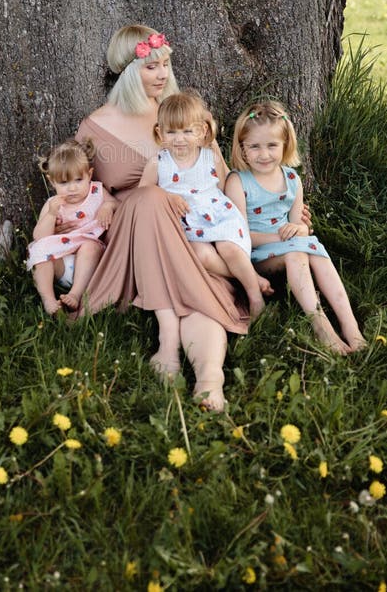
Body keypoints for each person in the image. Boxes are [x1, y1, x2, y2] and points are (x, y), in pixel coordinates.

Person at [68, 24, 255, 412]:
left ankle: (210, 379)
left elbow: (219, 179)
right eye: (151, 67)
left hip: (187, 229)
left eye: (165, 65)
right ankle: (168, 343)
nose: (163, 75)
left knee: (204, 298)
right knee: (150, 197)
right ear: (127, 73)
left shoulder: (180, 114)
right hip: (133, 235)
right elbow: (87, 189)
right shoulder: (95, 126)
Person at [226, 100, 367, 353]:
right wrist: (281, 238)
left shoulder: (292, 179)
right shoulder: (238, 182)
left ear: (285, 145)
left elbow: (299, 226)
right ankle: (321, 326)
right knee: (296, 252)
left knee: (314, 251)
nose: (264, 154)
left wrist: (299, 231)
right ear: (242, 148)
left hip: (291, 246)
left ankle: (351, 327)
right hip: (257, 256)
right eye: (255, 147)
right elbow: (241, 236)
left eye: (272, 145)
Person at [138, 91, 266, 320]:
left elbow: (226, 183)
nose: (179, 139)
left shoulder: (209, 156)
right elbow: (143, 195)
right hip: (187, 223)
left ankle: (255, 296)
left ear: (201, 132)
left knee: (230, 249)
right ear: (160, 132)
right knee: (201, 256)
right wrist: (167, 197)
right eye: (172, 132)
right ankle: (249, 277)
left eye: (187, 131)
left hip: (218, 215)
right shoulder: (158, 163)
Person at [26, 139, 118, 314]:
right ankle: (49, 299)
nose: (72, 188)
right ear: (51, 181)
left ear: (89, 175)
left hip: (90, 264)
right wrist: (51, 214)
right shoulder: (53, 203)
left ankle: (75, 294)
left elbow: (116, 203)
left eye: (78, 180)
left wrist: (107, 206)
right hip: (61, 265)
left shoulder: (96, 192)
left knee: (90, 246)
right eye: (63, 183)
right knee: (38, 250)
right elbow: (39, 237)